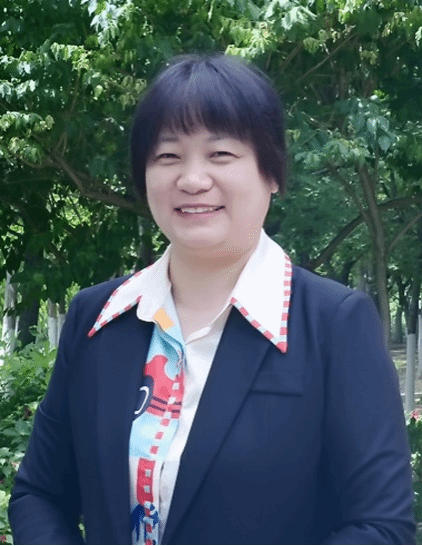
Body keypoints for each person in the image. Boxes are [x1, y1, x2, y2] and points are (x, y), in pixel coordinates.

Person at [9, 54, 414, 545]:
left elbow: (380, 526)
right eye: (168, 156)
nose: (192, 179)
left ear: (271, 172)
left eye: (220, 154)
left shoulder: (333, 324)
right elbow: (40, 494)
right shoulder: (97, 317)